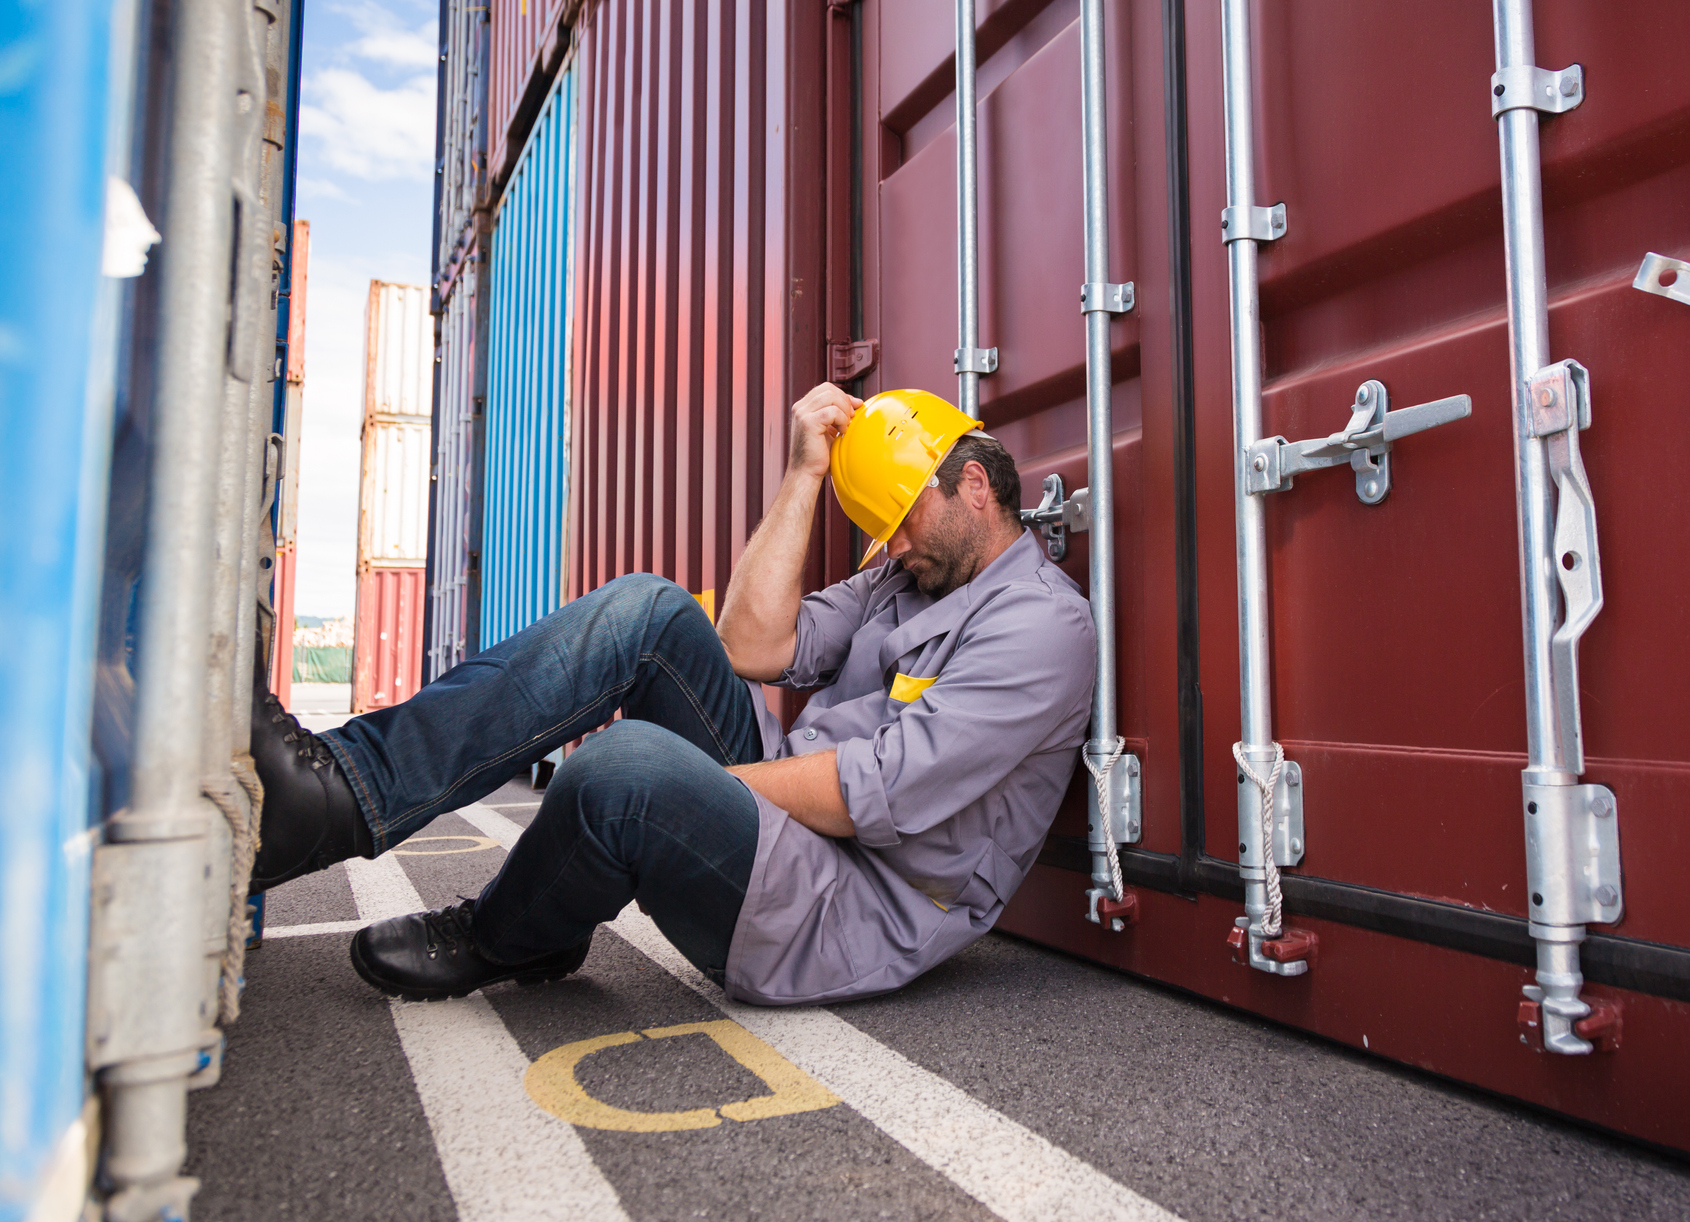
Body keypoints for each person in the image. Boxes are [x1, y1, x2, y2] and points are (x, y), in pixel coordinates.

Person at [248, 385, 1096, 1004]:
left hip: (857, 902)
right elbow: (752, 645)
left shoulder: (1041, 629)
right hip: (788, 816)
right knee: (647, 610)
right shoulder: (903, 581)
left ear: (974, 487)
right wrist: (804, 475)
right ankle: (343, 791)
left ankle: (502, 936)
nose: (894, 546)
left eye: (904, 521)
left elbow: (875, 792)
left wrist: (693, 793)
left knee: (627, 771)